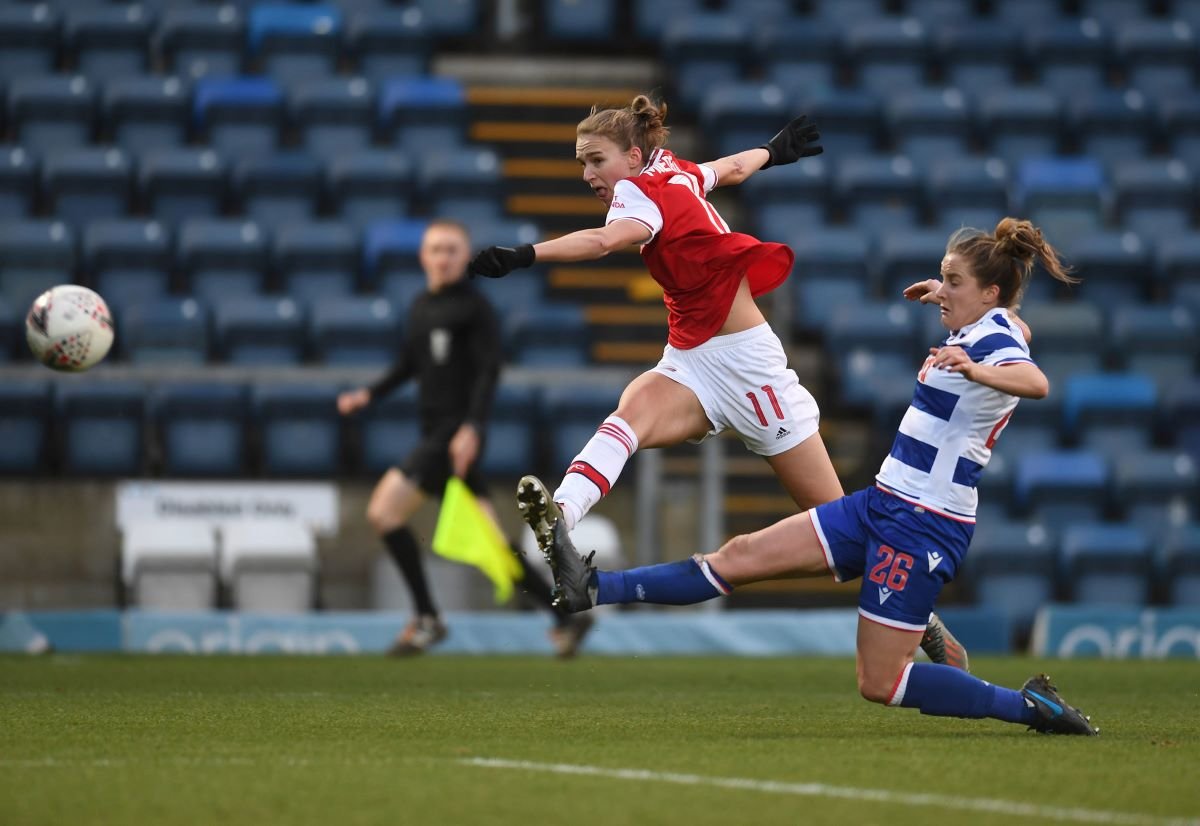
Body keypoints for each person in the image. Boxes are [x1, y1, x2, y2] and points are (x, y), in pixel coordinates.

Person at [539, 218, 1099, 735]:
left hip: (925, 523)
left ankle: (1029, 706)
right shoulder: (991, 323)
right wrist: (954, 297)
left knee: (880, 683)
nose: (940, 289)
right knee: (739, 556)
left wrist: (977, 364)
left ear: (991, 294)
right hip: (884, 503)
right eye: (941, 277)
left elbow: (1035, 381)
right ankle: (589, 589)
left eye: (953, 280)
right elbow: (1011, 326)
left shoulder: (991, 338)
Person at [470, 95, 967, 668]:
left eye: (595, 161)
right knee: (627, 416)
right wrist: (774, 152)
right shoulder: (671, 169)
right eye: (581, 163)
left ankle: (928, 628)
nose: (587, 175)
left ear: (632, 156)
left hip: (752, 373)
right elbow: (727, 169)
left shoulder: (639, 194)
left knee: (847, 544)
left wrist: (525, 253)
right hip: (691, 359)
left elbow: (605, 241)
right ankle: (561, 517)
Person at [338, 219, 593, 657]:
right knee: (493, 543)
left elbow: (488, 373)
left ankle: (427, 618)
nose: (443, 257)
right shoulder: (420, 306)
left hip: (449, 438)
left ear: (464, 256)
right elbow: (409, 364)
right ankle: (567, 616)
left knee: (384, 513)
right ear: (423, 256)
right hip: (440, 437)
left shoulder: (474, 309)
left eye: (452, 249)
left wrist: (472, 428)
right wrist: (369, 394)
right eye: (435, 249)